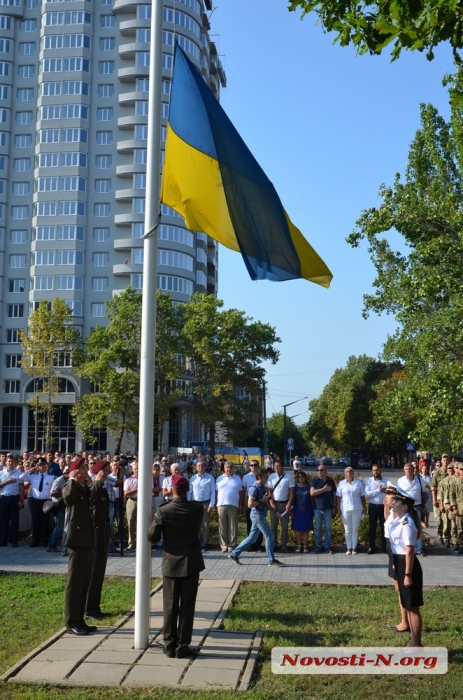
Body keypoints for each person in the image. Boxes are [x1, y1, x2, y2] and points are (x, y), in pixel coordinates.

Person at [148, 474, 204, 658]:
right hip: (191, 561)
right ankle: (183, 646)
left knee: (170, 605)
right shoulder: (197, 509)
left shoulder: (164, 510)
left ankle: (169, 644)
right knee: (187, 605)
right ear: (187, 490)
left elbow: (152, 537)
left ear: (172, 490)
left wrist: (156, 519)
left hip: (171, 561)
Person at [62, 458, 96, 636]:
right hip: (76, 539)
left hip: (87, 538)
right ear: (76, 471)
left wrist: (87, 482)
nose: (86, 469)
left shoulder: (84, 488)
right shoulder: (70, 486)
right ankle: (71, 621)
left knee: (84, 581)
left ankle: (80, 618)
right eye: (83, 468)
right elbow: (67, 496)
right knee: (75, 583)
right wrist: (72, 479)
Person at [387, 487, 424, 647]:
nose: (393, 502)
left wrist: (407, 574)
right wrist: (396, 562)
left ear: (405, 506)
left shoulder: (407, 523)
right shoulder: (399, 520)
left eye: (397, 501)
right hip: (400, 562)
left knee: (412, 606)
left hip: (409, 566)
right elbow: (398, 546)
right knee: (407, 604)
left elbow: (409, 551)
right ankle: (414, 643)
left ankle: (416, 644)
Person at [228, 468, 285, 567]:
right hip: (257, 515)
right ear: (259, 477)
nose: (267, 479)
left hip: (260, 514)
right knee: (269, 536)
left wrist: (275, 511)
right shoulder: (254, 488)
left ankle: (234, 554)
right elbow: (250, 504)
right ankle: (271, 560)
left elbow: (266, 502)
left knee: (252, 538)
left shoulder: (262, 487)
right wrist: (262, 500)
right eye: (265, 477)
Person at [85, 461, 110, 620]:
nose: (107, 474)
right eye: (105, 471)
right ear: (97, 472)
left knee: (99, 573)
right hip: (94, 536)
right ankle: (89, 609)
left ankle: (96, 607)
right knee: (93, 573)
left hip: (102, 535)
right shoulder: (94, 487)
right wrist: (98, 480)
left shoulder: (102, 489)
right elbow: (91, 501)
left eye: (108, 471)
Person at [19, 457, 54, 547]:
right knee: (35, 521)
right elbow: (21, 478)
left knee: (45, 521)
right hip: (35, 501)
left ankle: (45, 540)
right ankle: (36, 540)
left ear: (46, 466)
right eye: (39, 465)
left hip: (46, 501)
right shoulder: (33, 476)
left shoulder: (51, 477)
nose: (41, 467)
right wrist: (30, 470)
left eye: (42, 465)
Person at [397, 463, 427, 556]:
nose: (408, 471)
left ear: (413, 470)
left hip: (417, 506)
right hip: (405, 508)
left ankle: (419, 549)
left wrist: (424, 505)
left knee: (418, 527)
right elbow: (398, 495)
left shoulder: (419, 479)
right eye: (406, 469)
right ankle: (406, 548)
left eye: (410, 469)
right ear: (404, 470)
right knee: (404, 527)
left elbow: (424, 494)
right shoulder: (400, 480)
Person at [336, 466, 366, 554]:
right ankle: (348, 547)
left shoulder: (358, 483)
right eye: (347, 472)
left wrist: (364, 507)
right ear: (345, 474)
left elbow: (362, 496)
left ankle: (354, 547)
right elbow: (338, 497)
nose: (349, 474)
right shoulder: (341, 483)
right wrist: (338, 508)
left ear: (353, 473)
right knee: (347, 529)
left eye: (350, 472)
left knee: (355, 529)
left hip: (357, 508)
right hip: (345, 509)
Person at [267, 460, 295, 553]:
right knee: (273, 526)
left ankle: (283, 545)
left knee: (284, 526)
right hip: (274, 504)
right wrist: (271, 503)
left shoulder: (288, 477)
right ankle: (274, 545)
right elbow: (269, 491)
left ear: (283, 467)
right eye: (275, 466)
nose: (276, 467)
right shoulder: (271, 477)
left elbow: (292, 492)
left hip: (285, 504)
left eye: (278, 466)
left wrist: (289, 503)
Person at [188, 459, 215, 552]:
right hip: (195, 503)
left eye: (202, 465)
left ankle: (204, 544)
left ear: (205, 467)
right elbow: (190, 492)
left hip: (206, 503)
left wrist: (211, 504)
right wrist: (188, 503)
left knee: (205, 524)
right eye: (199, 465)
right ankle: (197, 543)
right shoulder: (193, 478)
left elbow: (212, 492)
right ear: (196, 467)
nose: (200, 467)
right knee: (196, 524)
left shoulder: (210, 478)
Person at [216, 461, 243, 553]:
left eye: (230, 467)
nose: (228, 469)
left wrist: (241, 505)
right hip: (221, 504)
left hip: (233, 504)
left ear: (233, 469)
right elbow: (216, 492)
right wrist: (215, 504)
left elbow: (241, 493)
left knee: (233, 526)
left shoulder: (237, 479)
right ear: (224, 468)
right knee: (222, 527)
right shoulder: (219, 478)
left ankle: (231, 545)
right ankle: (223, 545)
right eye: (227, 467)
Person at [310, 464, 336, 553]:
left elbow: (334, 495)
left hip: (328, 508)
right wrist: (324, 489)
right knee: (318, 528)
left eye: (322, 470)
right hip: (317, 508)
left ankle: (327, 546)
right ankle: (318, 546)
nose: (319, 472)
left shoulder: (330, 481)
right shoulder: (315, 481)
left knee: (328, 528)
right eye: (318, 470)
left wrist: (335, 506)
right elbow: (312, 493)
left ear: (326, 471)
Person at [0, 454, 24, 547]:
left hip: (15, 498)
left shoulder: (18, 473)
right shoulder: (1, 473)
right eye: (9, 461)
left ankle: (14, 541)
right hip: (4, 498)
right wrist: (7, 481)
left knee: (14, 520)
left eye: (12, 461)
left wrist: (21, 500)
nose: (10, 463)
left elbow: (21, 488)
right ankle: (3, 540)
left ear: (15, 463)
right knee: (3, 520)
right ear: (6, 462)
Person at [365, 463, 388, 554]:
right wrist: (379, 490)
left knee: (384, 527)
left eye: (377, 470)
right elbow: (367, 494)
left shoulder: (386, 480)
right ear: (372, 471)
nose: (376, 472)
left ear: (381, 470)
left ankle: (384, 547)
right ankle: (371, 546)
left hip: (383, 506)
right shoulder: (369, 481)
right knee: (372, 527)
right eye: (374, 470)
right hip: (373, 506)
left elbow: (390, 491)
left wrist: (384, 491)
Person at [242, 459, 264, 552]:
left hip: (260, 503)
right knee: (250, 524)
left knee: (260, 524)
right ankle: (251, 545)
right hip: (250, 503)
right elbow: (243, 491)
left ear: (258, 466)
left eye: (255, 465)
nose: (253, 467)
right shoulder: (246, 477)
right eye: (252, 465)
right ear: (249, 466)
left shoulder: (262, 476)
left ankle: (258, 544)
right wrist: (243, 504)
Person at [291, 470, 314, 553]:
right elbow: (292, 499)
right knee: (298, 529)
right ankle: (299, 546)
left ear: (305, 478)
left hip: (307, 510)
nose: (300, 478)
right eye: (299, 477)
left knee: (306, 529)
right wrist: (291, 511)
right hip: (297, 510)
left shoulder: (309, 486)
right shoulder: (294, 487)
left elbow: (312, 499)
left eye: (302, 476)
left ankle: (305, 546)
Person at [431, 455, 448, 543]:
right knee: (439, 519)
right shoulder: (437, 473)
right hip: (439, 499)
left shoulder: (450, 471)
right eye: (443, 459)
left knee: (447, 519)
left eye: (446, 459)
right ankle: (440, 535)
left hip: (448, 499)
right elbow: (433, 487)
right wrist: (434, 499)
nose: (445, 461)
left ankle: (446, 537)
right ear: (441, 461)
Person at [123, 464, 138, 550]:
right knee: (130, 523)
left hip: (141, 501)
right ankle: (131, 543)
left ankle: (140, 542)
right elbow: (126, 493)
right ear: (133, 470)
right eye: (135, 469)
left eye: (138, 469)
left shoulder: (145, 479)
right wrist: (136, 490)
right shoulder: (128, 480)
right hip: (131, 501)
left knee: (140, 524)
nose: (137, 470)